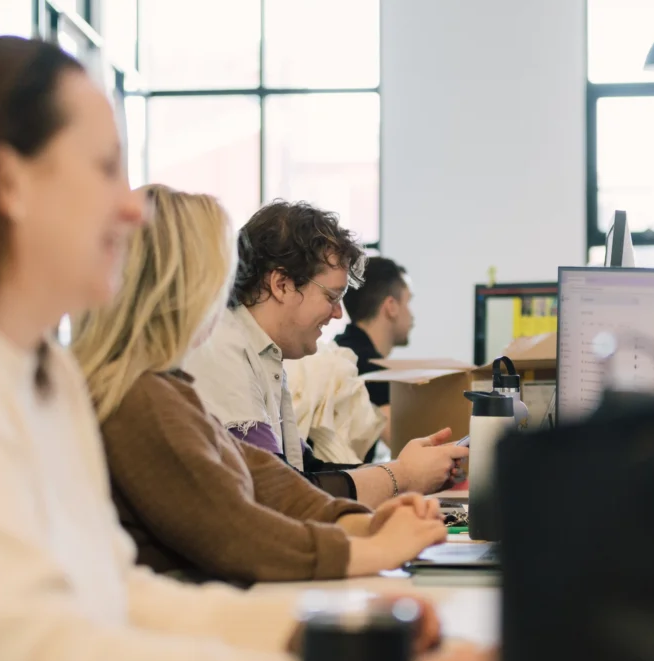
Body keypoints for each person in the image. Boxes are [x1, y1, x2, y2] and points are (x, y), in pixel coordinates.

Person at [0, 35, 492, 661]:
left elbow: (119, 595)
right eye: (105, 167)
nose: (130, 208)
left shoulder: (42, 376)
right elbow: (31, 660)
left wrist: (319, 632)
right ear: (8, 181)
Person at [71, 184, 448, 585]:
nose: (226, 296)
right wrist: (374, 542)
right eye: (219, 275)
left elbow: (271, 480)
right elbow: (236, 529)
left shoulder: (167, 387)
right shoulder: (141, 397)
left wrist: (360, 524)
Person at [183, 201, 467, 508]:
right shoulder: (223, 349)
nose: (337, 313)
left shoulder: (262, 354)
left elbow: (306, 473)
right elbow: (278, 495)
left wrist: (410, 469)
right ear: (281, 285)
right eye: (332, 296)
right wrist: (403, 475)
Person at [336, 256, 413, 462]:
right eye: (408, 302)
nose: (412, 317)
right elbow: (406, 448)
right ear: (391, 307)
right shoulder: (370, 368)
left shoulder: (340, 349)